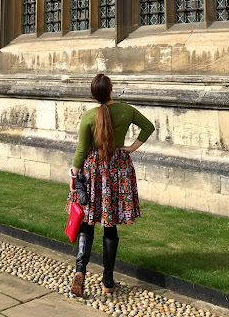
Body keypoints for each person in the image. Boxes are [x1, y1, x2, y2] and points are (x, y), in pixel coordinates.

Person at [66, 73, 155, 297]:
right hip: (116, 169)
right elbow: (148, 127)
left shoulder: (88, 117)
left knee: (87, 222)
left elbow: (81, 150)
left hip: (93, 171)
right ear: (111, 89)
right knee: (110, 224)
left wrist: (73, 176)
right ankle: (107, 280)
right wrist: (130, 149)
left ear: (94, 95)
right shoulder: (127, 110)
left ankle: (80, 270)